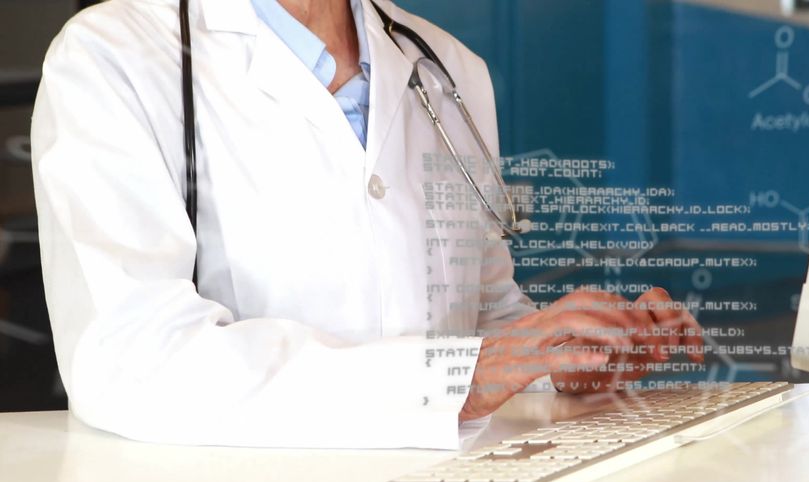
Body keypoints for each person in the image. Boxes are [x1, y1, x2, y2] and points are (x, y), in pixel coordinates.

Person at [31, 0, 704, 449]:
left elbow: (484, 320)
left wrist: (565, 362)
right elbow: (130, 359)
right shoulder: (113, 56)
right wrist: (456, 380)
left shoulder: (449, 67)